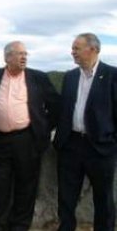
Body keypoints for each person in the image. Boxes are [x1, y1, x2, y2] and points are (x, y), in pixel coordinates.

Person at [0, 41, 59, 231]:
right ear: (7, 57)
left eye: (26, 54)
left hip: (27, 140)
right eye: (19, 53)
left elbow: (56, 106)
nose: (24, 57)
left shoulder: (38, 78)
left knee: (26, 187)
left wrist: (43, 128)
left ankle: (19, 227)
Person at [54, 33, 117, 231]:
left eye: (76, 48)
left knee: (104, 198)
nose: (72, 52)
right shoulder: (70, 77)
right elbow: (64, 109)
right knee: (66, 196)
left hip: (100, 147)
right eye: (73, 49)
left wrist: (111, 142)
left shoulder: (112, 75)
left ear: (94, 49)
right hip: (71, 144)